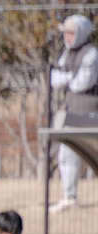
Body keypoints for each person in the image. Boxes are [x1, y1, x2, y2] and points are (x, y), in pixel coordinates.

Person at [50, 14, 98, 212]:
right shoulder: (66, 54)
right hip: (71, 111)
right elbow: (54, 80)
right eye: (66, 33)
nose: (67, 37)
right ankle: (69, 197)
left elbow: (82, 84)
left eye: (71, 33)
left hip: (89, 112)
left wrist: (66, 78)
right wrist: (70, 76)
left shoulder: (91, 54)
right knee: (67, 153)